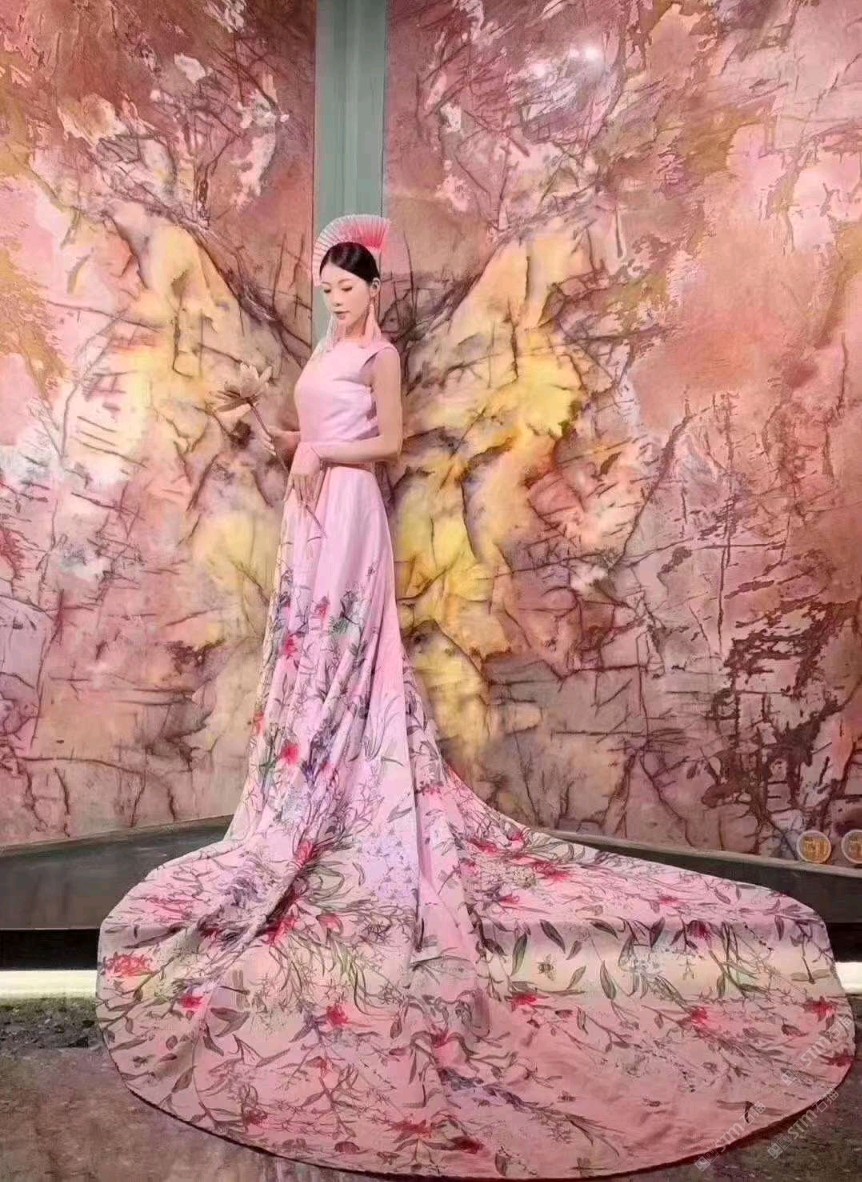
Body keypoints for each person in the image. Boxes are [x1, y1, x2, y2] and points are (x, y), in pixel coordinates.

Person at [96, 215, 855, 1179]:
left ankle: (357, 793)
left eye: (344, 288)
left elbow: (390, 443)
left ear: (371, 288)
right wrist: (290, 443)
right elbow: (321, 429)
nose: (332, 301)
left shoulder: (380, 355)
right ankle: (302, 791)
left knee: (350, 645)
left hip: (352, 512)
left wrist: (325, 457)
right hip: (309, 511)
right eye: (324, 290)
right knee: (306, 648)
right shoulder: (327, 350)